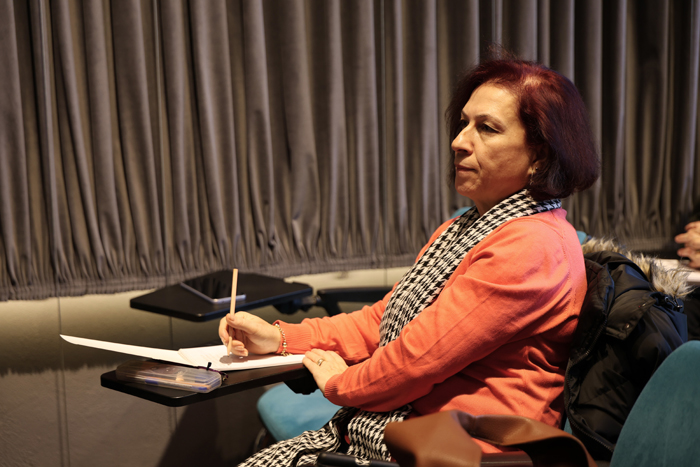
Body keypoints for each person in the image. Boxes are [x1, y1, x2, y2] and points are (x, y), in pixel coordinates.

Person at [221, 56, 600, 466]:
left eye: (487, 128)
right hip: (409, 433)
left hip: (465, 453)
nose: (459, 141)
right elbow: (382, 321)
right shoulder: (466, 226)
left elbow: (416, 360)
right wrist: (280, 338)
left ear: (540, 156)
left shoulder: (533, 244)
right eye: (464, 123)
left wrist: (339, 383)